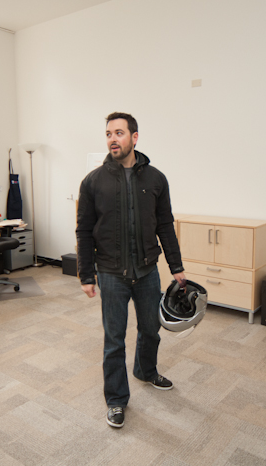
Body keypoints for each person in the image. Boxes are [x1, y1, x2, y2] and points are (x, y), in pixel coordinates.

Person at [76, 112, 186, 428]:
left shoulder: (156, 179)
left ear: (134, 137)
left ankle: (146, 371)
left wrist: (176, 266)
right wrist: (86, 274)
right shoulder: (93, 181)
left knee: (151, 329)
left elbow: (165, 225)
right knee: (114, 340)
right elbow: (84, 230)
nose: (113, 139)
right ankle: (116, 400)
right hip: (111, 273)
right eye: (108, 134)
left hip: (147, 271)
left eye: (119, 133)